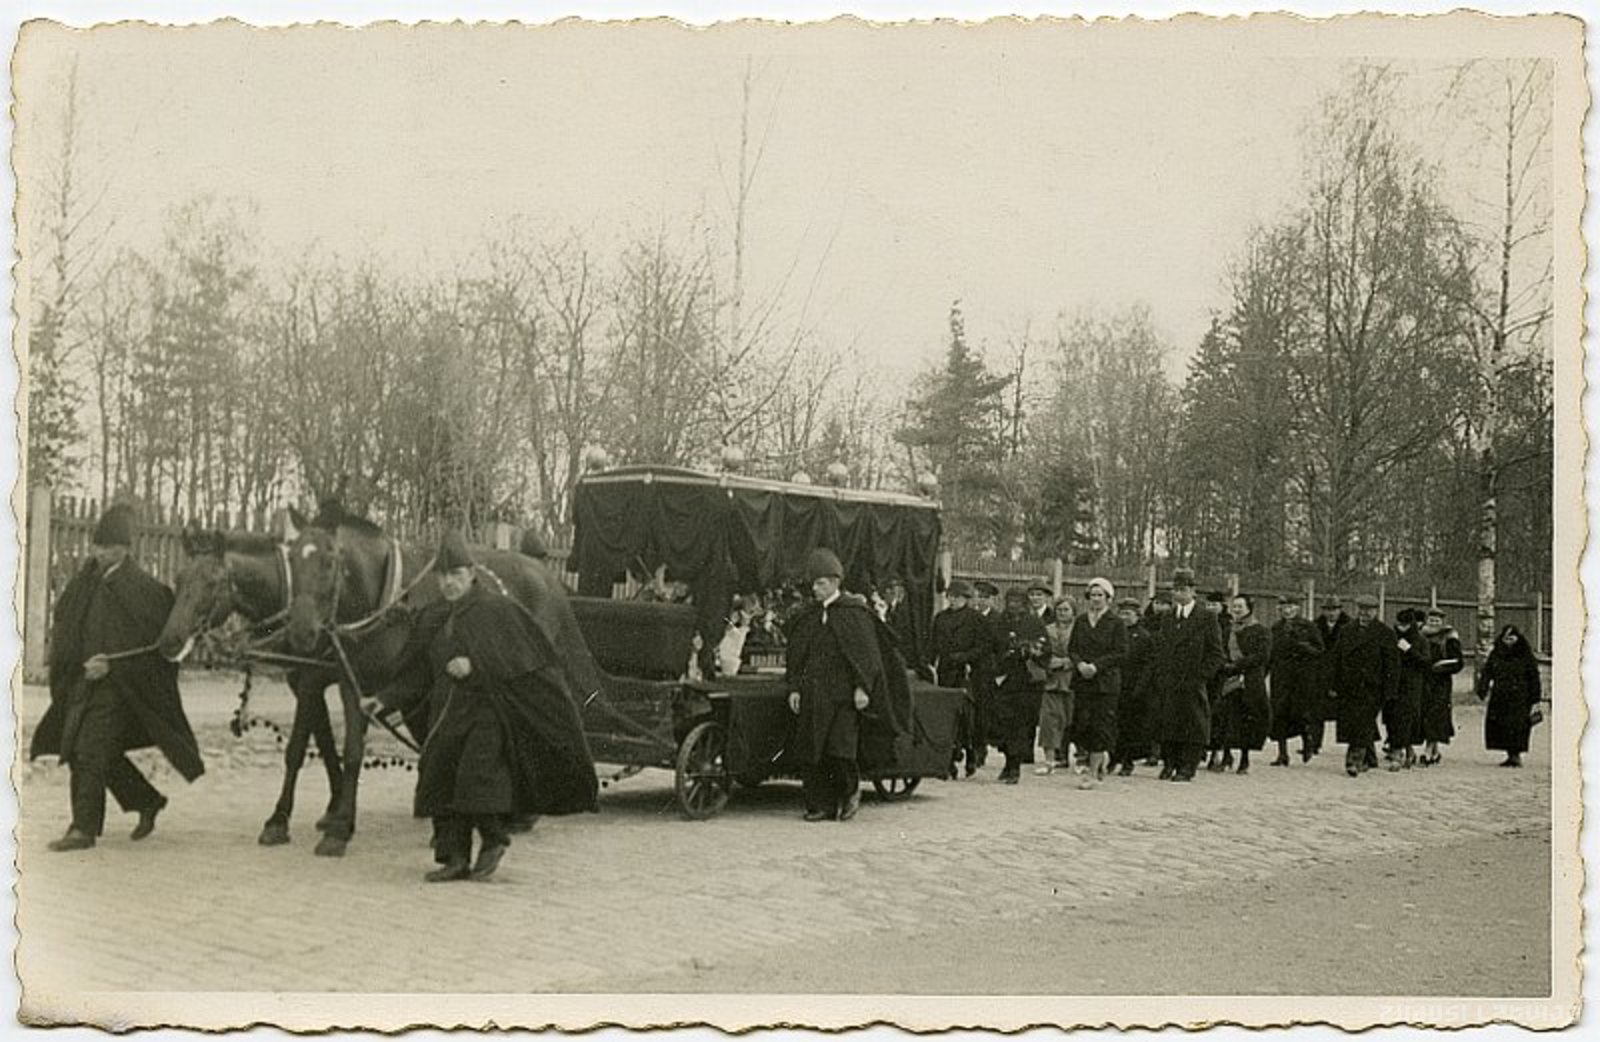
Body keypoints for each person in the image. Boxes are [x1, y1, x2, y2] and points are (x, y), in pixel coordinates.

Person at [368, 530, 598, 882]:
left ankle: (494, 841)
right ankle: (454, 858)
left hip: (489, 713)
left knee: (475, 778)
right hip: (447, 713)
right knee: (439, 774)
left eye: (456, 575)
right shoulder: (432, 616)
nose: (449, 583)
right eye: (443, 576)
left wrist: (475, 666)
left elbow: (523, 661)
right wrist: (382, 699)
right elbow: (415, 672)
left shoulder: (497, 610)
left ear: (471, 573)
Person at [33, 505, 205, 852]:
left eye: (106, 547)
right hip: (84, 682)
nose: (98, 553)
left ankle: (83, 829)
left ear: (123, 550)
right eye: (96, 546)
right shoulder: (87, 581)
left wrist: (112, 665)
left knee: (89, 749)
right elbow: (67, 620)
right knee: (85, 749)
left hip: (121, 688)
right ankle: (147, 800)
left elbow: (158, 650)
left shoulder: (145, 590)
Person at [785, 549, 886, 820]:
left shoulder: (854, 613)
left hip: (843, 695)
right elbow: (797, 655)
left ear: (834, 582)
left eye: (820, 584)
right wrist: (794, 688)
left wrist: (862, 687)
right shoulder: (809, 615)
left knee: (840, 749)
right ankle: (820, 805)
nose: (815, 589)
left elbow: (866, 656)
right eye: (814, 584)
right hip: (813, 693)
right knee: (812, 750)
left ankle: (850, 794)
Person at [1153, 568, 1224, 782]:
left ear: (1193, 591)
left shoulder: (1206, 617)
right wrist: (1162, 674)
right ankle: (1170, 763)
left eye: (1183, 589)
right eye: (1175, 590)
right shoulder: (1167, 617)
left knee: (1193, 723)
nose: (1178, 594)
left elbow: (1216, 654)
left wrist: (1201, 677)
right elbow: (1162, 648)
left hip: (1192, 681)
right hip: (1170, 680)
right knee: (1168, 721)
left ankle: (1188, 766)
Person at [1066, 578, 1128, 789]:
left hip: (1105, 683)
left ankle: (1093, 772)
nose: (1096, 599)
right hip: (1083, 681)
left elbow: (1121, 652)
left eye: (1100, 595)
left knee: (1100, 726)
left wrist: (1097, 666)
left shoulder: (1116, 622)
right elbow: (1073, 648)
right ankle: (1097, 762)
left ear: (1108, 598)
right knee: (1082, 724)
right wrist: (1080, 664)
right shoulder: (1082, 621)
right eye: (1092, 595)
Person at [1331, 593, 1398, 778]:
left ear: (1376, 611)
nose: (1365, 613)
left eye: (1369, 610)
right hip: (1349, 685)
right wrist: (1333, 684)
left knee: (1362, 721)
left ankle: (1354, 760)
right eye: (1362, 609)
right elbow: (1337, 659)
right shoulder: (1346, 630)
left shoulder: (1385, 633)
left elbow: (1392, 665)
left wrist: (1390, 689)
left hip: (1373, 686)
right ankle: (1370, 757)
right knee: (1355, 721)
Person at [930, 580, 992, 777]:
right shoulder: (940, 618)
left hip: (968, 672)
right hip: (946, 671)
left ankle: (971, 752)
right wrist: (930, 664)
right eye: (950, 596)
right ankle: (949, 758)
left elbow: (984, 646)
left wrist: (965, 657)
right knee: (948, 715)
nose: (953, 600)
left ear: (966, 599)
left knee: (967, 716)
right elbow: (933, 644)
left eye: (957, 597)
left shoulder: (976, 619)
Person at [990, 587, 1051, 784]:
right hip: (1004, 678)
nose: (1013, 605)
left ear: (1024, 603)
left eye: (1018, 601)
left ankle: (1014, 765)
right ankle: (1008, 760)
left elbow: (1044, 649)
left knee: (1020, 724)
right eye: (1010, 601)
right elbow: (991, 646)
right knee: (1002, 722)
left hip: (1026, 681)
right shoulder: (1000, 622)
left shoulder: (1034, 622)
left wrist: (1029, 650)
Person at [1267, 594, 1325, 766]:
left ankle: (1307, 741)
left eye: (1291, 607)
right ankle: (1282, 753)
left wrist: (1304, 647)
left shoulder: (1308, 627)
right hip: (1280, 676)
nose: (1287, 611)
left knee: (1300, 712)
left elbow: (1319, 650)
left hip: (1301, 677)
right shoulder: (1276, 628)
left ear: (1298, 608)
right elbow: (1270, 653)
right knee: (1279, 713)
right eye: (1284, 607)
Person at [1476, 624, 1543, 767]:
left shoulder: (1525, 655)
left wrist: (1535, 699)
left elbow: (1534, 677)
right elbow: (1487, 672)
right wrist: (1482, 688)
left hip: (1520, 697)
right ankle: (1509, 754)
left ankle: (1515, 755)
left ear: (1518, 639)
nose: (1509, 642)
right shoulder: (1496, 653)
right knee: (1502, 726)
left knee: (1517, 726)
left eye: (1512, 638)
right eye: (1506, 639)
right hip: (1500, 695)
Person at [1112, 596, 1157, 776]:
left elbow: (1149, 664)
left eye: (1128, 614)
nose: (1124, 618)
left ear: (1137, 616)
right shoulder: (1114, 634)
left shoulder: (1143, 636)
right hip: (1115, 683)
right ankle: (1113, 758)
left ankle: (1128, 760)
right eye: (1122, 614)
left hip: (1134, 686)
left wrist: (1141, 685)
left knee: (1131, 726)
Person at [1388, 609, 1435, 771]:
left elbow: (1426, 663)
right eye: (1399, 624)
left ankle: (1400, 752)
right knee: (1392, 718)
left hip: (1412, 685)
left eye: (1405, 625)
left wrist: (1409, 650)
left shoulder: (1420, 640)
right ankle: (1404, 750)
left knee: (1406, 718)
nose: (1402, 628)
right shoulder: (1391, 638)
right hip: (1393, 683)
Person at [1035, 595, 1076, 775]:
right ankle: (1050, 760)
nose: (1062, 613)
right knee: (1049, 720)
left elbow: (1085, 651)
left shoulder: (1079, 630)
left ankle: (1082, 758)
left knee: (1075, 719)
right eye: (1059, 609)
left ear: (1073, 612)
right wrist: (1047, 661)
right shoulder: (1047, 630)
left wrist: (1067, 662)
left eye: (1066, 609)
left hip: (1073, 679)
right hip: (1051, 680)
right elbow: (1039, 651)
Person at [1418, 607, 1463, 765]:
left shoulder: (1449, 637)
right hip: (1424, 680)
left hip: (1440, 682)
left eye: (1437, 621)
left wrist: (1441, 667)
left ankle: (1428, 751)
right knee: (1425, 714)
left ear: (1442, 622)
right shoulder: (1421, 635)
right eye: (1431, 620)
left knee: (1435, 714)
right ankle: (1435, 751)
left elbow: (1458, 662)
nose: (1434, 623)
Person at [1313, 597, 1350, 757]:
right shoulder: (1315, 626)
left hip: (1341, 673)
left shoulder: (1349, 626)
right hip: (1320, 674)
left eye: (1334, 609)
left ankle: (1351, 746)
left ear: (1340, 610)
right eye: (1328, 609)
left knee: (1346, 711)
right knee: (1316, 711)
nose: (1331, 613)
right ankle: (1314, 743)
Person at [1203, 591, 1234, 772]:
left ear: (1222, 606)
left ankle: (1219, 752)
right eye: (1208, 605)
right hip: (1205, 673)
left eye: (1214, 605)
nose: (1211, 608)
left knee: (1220, 713)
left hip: (1221, 674)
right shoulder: (1202, 622)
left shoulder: (1227, 626)